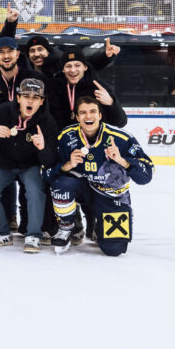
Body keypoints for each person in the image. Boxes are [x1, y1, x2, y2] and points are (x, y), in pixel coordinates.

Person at [47, 97, 153, 256]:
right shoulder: (66, 136)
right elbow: (46, 173)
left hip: (110, 195)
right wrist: (67, 165)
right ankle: (66, 227)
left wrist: (122, 160)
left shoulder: (121, 138)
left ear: (100, 115)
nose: (88, 116)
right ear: (77, 117)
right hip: (83, 189)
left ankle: (99, 223)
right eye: (83, 112)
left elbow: (146, 176)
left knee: (114, 249)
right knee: (62, 184)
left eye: (92, 111)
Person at [0, 78, 58, 253]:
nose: (30, 101)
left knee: (35, 191)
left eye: (36, 97)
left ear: (42, 101)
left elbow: (50, 161)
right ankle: (2, 232)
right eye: (26, 96)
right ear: (18, 98)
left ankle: (34, 235)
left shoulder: (48, 121)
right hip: (2, 161)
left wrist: (42, 148)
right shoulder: (3, 110)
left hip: (30, 164)